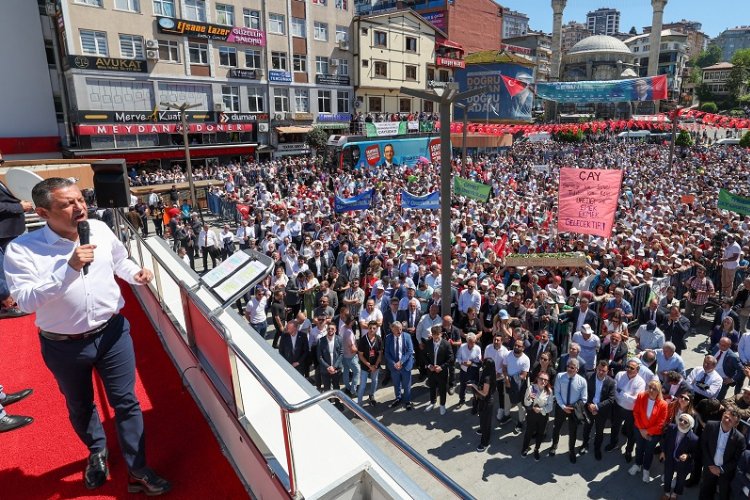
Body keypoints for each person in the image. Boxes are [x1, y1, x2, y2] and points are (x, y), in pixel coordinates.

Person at [3, 178, 170, 494]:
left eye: (80, 200)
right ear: (42, 212)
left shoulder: (100, 229)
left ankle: (138, 470)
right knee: (80, 406)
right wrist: (68, 269)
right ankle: (97, 451)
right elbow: (24, 301)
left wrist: (135, 274)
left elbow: (120, 260)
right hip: (63, 345)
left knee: (127, 402)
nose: (79, 207)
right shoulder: (22, 250)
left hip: (112, 333)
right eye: (68, 204)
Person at [0, 150, 34, 318]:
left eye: (1, 162)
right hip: (4, 232)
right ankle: (7, 303)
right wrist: (19, 207)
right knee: (2, 269)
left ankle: (11, 300)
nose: (1, 165)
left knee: (9, 267)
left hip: (8, 231)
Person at [699, 409, 746, 500]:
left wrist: (721, 469)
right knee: (705, 490)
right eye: (726, 417)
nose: (726, 420)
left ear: (735, 424)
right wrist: (710, 465)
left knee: (724, 493)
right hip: (709, 467)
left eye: (730, 420)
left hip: (725, 472)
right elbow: (703, 444)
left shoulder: (740, 439)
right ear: (722, 415)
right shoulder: (710, 425)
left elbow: (737, 459)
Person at [607, 359, 646, 461]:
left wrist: (622, 393)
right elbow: (614, 391)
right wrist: (627, 395)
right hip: (618, 407)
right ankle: (613, 443)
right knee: (615, 426)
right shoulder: (620, 375)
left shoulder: (641, 382)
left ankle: (628, 450)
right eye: (627, 367)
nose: (628, 369)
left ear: (637, 370)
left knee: (630, 432)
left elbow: (635, 400)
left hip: (630, 411)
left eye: (631, 368)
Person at [630, 380, 668, 483]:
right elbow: (636, 413)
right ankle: (637, 464)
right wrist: (642, 430)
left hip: (654, 434)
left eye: (654, 388)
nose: (651, 390)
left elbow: (661, 423)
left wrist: (647, 431)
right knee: (639, 447)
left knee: (649, 451)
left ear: (659, 391)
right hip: (639, 429)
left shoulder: (663, 404)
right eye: (650, 387)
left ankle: (646, 469)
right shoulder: (641, 396)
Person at [551, 357, 587, 463]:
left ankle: (571, 451)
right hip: (561, 407)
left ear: (577, 369)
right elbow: (557, 392)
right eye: (568, 367)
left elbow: (584, 399)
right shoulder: (560, 376)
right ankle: (554, 445)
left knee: (573, 432)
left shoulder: (582, 381)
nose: (570, 369)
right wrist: (563, 406)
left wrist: (572, 407)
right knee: (556, 427)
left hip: (573, 410)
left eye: (572, 367)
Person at [581, 360, 616, 460]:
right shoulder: (588, 376)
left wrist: (596, 407)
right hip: (588, 409)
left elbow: (611, 399)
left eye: (603, 371)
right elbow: (583, 392)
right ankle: (584, 445)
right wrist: (589, 405)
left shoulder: (611, 382)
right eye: (599, 370)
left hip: (601, 412)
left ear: (607, 371)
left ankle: (597, 449)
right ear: (596, 368)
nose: (601, 372)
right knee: (586, 428)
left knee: (599, 432)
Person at [660, 414, 699, 500]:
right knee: (668, 476)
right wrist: (662, 451)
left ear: (690, 425)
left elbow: (695, 453)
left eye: (685, 422)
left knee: (681, 479)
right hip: (669, 458)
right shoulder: (671, 427)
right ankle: (666, 493)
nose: (682, 422)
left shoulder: (694, 438)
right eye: (681, 419)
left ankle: (674, 494)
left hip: (683, 463)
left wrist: (688, 455)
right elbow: (664, 439)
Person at [521, 370, 555, 461]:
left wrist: (541, 410)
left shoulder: (549, 391)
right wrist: (529, 398)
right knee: (529, 432)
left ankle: (536, 449)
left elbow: (550, 406)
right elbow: (526, 403)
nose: (543, 381)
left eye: (546, 380)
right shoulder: (531, 388)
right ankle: (524, 448)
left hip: (543, 416)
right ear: (537, 379)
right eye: (541, 379)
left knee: (540, 433)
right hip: (532, 414)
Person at [423, 325, 453, 415]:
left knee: (442, 389)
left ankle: (442, 405)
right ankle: (432, 402)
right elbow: (424, 355)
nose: (435, 337)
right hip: (431, 371)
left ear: (441, 334)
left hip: (441, 372)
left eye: (437, 335)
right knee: (432, 387)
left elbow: (451, 359)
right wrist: (429, 365)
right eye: (434, 335)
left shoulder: (446, 344)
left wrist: (441, 367)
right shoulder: (428, 343)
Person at [384, 321, 414, 410]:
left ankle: (407, 401)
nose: (399, 331)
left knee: (406, 384)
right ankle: (398, 398)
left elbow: (410, 351)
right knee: (396, 384)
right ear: (392, 329)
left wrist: (401, 362)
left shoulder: (407, 336)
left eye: (400, 329)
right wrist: (394, 363)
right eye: (397, 330)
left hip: (405, 365)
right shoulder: (388, 338)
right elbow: (387, 353)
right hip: (394, 367)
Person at [469, 357, 497, 452]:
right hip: (484, 401)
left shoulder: (487, 378)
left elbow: (484, 393)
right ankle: (482, 430)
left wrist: (474, 386)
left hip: (487, 402)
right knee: (482, 418)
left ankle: (484, 443)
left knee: (486, 423)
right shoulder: (490, 373)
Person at [357, 321, 382, 407]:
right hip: (365, 366)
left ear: (377, 329)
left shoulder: (378, 339)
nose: (371, 330)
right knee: (363, 385)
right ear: (368, 328)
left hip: (375, 366)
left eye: (374, 328)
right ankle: (359, 404)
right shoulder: (363, 340)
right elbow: (360, 355)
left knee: (374, 381)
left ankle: (371, 395)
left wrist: (375, 365)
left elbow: (380, 354)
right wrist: (369, 365)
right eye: (370, 328)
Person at [317, 323, 343, 392]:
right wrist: (328, 367)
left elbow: (341, 354)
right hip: (325, 369)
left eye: (332, 329)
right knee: (326, 388)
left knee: (336, 387)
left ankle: (337, 402)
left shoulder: (340, 339)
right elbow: (319, 357)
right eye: (328, 328)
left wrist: (334, 367)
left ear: (335, 330)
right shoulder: (320, 341)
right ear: (326, 329)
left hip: (336, 369)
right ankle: (327, 402)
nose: (330, 330)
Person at [722, 234, 742, 299]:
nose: (727, 239)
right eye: (727, 238)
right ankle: (723, 293)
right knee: (723, 280)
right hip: (725, 265)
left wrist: (724, 259)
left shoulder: (736, 246)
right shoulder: (729, 244)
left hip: (731, 267)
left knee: (729, 281)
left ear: (733, 239)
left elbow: (735, 258)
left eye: (729, 238)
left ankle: (728, 295)